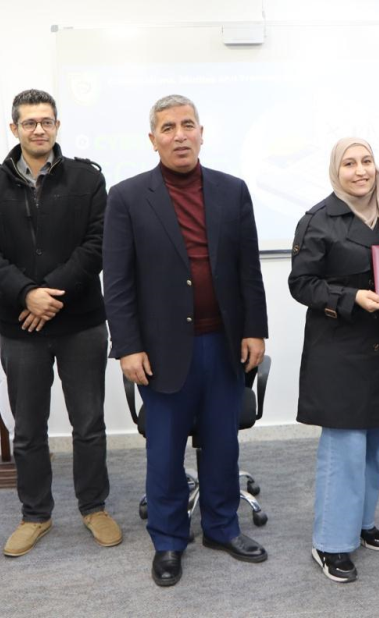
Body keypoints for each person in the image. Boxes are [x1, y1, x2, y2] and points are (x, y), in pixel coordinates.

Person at [103, 94, 269, 587]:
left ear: (201, 133)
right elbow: (118, 281)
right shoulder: (127, 197)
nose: (180, 135)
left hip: (223, 343)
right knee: (164, 454)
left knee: (222, 446)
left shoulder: (232, 191)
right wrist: (127, 346)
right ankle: (169, 540)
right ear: (152, 139)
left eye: (188, 125)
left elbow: (248, 269)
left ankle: (221, 528)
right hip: (160, 351)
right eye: (168, 127)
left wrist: (255, 329)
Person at [0, 89, 120, 557]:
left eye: (47, 121)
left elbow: (98, 244)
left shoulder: (88, 178)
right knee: (28, 429)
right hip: (21, 326)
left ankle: (93, 507)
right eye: (30, 122)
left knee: (89, 423)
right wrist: (26, 295)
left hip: (81, 323)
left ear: (57, 125)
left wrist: (48, 294)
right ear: (14, 128)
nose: (39, 129)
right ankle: (35, 514)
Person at [288, 138, 379, 583]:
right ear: (335, 171)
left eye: (367, 161)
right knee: (344, 449)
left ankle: (360, 522)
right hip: (340, 350)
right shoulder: (318, 220)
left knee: (373, 445)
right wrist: (352, 297)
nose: (360, 170)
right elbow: (301, 284)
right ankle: (330, 543)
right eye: (349, 163)